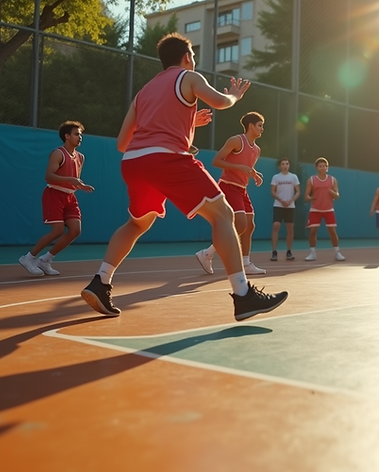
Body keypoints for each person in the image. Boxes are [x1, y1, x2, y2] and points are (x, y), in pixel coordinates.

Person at [79, 33, 287, 321]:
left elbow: (123, 143)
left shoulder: (143, 93)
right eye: (194, 56)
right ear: (187, 57)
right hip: (166, 159)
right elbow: (220, 102)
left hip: (134, 162)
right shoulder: (189, 77)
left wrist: (187, 125)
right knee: (224, 215)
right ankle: (243, 295)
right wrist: (235, 96)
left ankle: (101, 282)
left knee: (136, 223)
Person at [18, 121, 95, 276]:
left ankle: (45, 260)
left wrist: (80, 186)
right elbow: (49, 176)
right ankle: (28, 258)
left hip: (70, 197)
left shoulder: (80, 157)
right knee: (58, 230)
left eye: (81, 134)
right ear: (67, 136)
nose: (80, 137)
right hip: (54, 194)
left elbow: (73, 180)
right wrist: (70, 180)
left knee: (75, 231)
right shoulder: (58, 153)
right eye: (76, 134)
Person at [195, 112, 267, 276]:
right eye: (260, 125)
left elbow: (246, 166)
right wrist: (240, 168)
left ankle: (246, 263)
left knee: (249, 225)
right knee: (241, 224)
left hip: (242, 189)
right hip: (228, 186)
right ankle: (207, 253)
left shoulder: (256, 150)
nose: (262, 129)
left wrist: (253, 174)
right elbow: (216, 161)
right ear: (251, 126)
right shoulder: (236, 141)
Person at [303, 157, 345, 262]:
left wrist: (332, 192)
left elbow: (337, 195)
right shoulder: (311, 180)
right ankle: (312, 253)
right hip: (315, 209)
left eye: (324, 166)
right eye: (320, 166)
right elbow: (306, 196)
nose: (322, 168)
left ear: (327, 167)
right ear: (317, 168)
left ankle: (337, 252)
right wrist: (311, 198)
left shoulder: (333, 180)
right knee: (313, 231)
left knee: (332, 231)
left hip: (328, 210)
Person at [270, 157, 300, 261]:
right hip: (278, 205)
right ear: (280, 166)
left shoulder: (294, 177)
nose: (285, 166)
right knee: (276, 225)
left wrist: (291, 200)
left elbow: (298, 191)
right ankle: (274, 252)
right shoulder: (276, 177)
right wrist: (281, 200)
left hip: (290, 206)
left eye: (287, 164)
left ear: (289, 165)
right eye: (283, 164)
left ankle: (289, 251)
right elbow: (273, 191)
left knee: (290, 228)